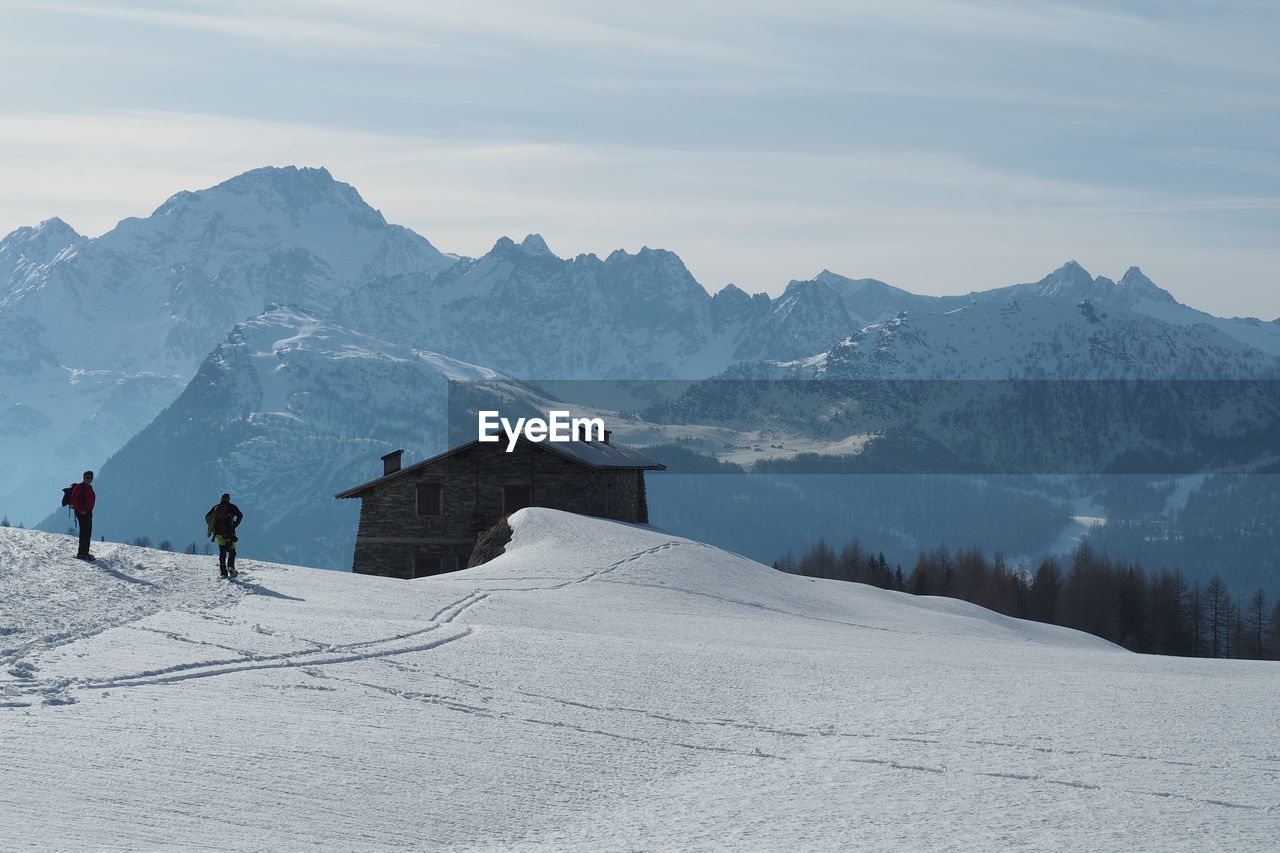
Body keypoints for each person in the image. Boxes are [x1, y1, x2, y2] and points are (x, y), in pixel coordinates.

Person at [204, 493, 244, 578]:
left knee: (222, 552)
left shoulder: (216, 507)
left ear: (221, 499)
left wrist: (213, 527)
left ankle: (223, 573)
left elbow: (207, 517)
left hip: (218, 534)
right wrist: (234, 525)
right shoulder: (232, 507)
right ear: (228, 499)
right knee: (232, 551)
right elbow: (240, 515)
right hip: (230, 533)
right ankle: (230, 566)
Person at [69, 470, 96, 560]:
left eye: (90, 477)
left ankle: (85, 552)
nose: (89, 479)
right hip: (82, 513)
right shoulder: (80, 487)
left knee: (87, 533)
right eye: (87, 477)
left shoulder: (89, 487)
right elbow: (74, 500)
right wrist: (81, 511)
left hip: (88, 512)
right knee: (84, 532)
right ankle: (82, 553)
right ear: (83, 477)